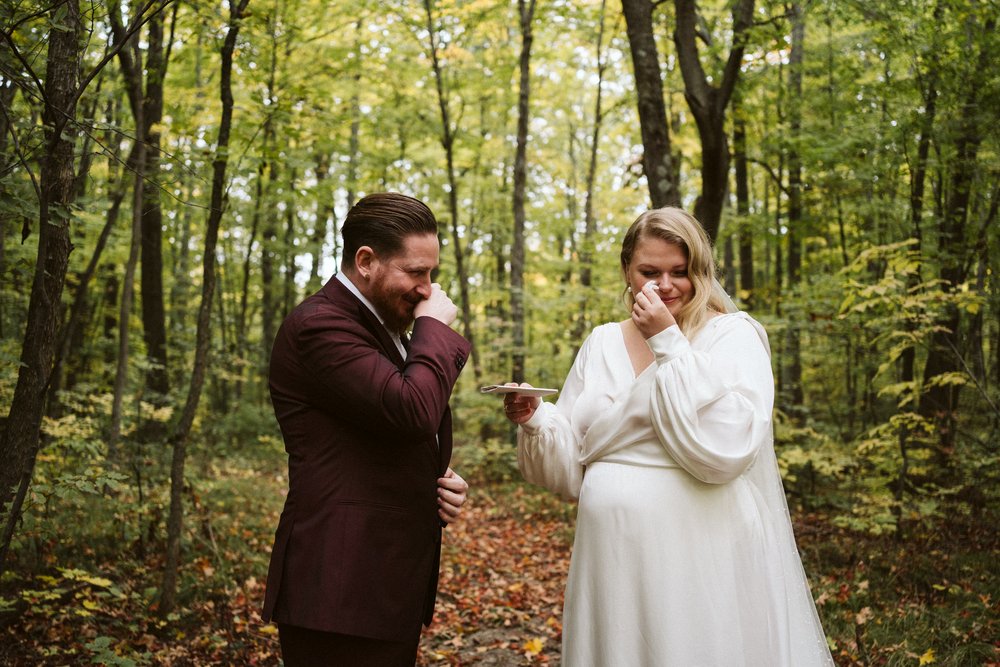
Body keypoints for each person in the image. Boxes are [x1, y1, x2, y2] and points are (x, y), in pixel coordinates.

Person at [502, 207, 834, 666]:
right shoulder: (601, 342)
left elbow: (728, 449)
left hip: (699, 546)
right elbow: (572, 464)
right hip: (610, 555)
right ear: (626, 271)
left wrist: (668, 342)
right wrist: (536, 418)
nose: (664, 285)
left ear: (701, 271)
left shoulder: (732, 336)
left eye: (680, 272)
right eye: (649, 271)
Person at [262, 192, 473, 666]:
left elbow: (388, 432)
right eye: (416, 272)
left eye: (432, 273)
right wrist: (434, 330)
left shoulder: (382, 328)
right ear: (366, 261)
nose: (427, 289)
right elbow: (412, 408)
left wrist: (436, 480)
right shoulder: (321, 325)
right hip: (338, 591)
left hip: (381, 587)